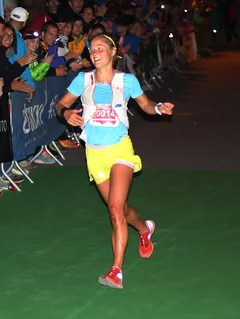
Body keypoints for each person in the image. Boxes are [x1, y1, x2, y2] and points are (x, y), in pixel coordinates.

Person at [55, 34, 174, 289]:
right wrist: (66, 113)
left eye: (100, 48)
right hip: (94, 154)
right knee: (118, 209)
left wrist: (158, 108)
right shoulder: (82, 80)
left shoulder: (126, 80)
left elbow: (146, 105)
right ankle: (144, 228)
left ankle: (116, 271)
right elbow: (61, 105)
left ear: (112, 51)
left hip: (120, 149)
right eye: (91, 49)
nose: (95, 53)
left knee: (115, 211)